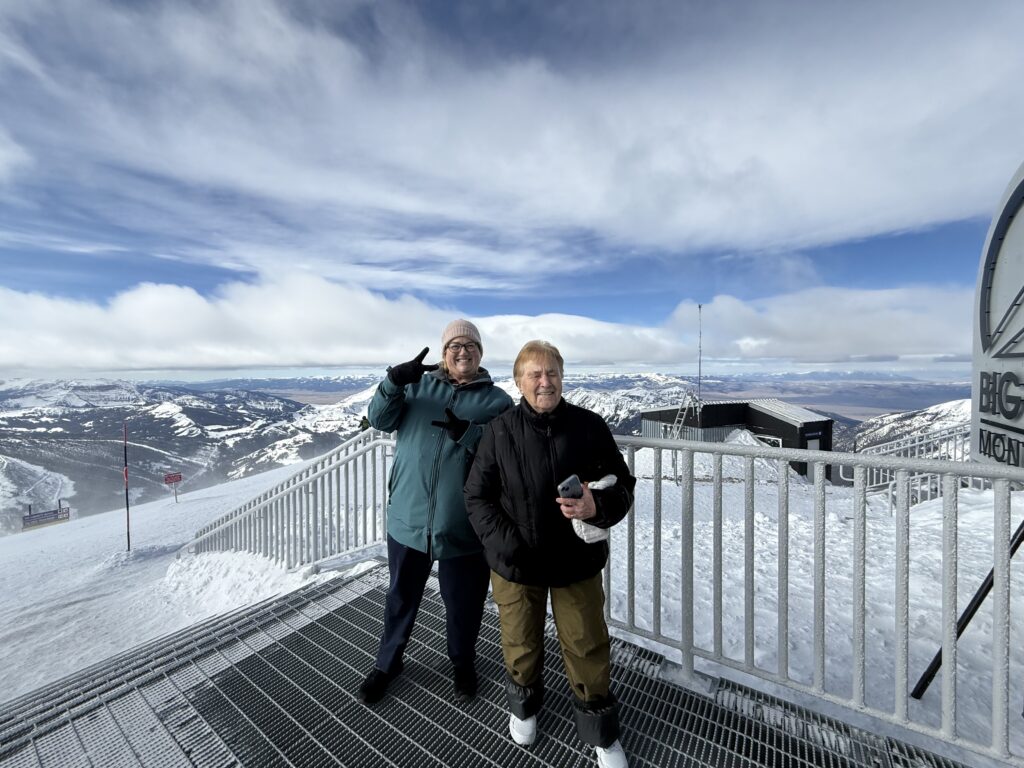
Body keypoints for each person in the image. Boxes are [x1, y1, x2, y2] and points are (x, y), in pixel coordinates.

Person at [464, 340, 636, 768]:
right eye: (535, 374)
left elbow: (623, 485)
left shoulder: (589, 427)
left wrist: (598, 506)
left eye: (552, 373)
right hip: (517, 564)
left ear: (562, 377)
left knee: (586, 644)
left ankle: (600, 732)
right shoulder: (499, 431)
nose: (545, 382)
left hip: (575, 561)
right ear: (519, 382)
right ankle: (524, 707)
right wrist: (509, 545)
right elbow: (477, 496)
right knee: (519, 642)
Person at [358, 319, 513, 705]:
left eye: (471, 345)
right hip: (408, 519)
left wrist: (470, 433)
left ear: (480, 353)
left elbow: (505, 455)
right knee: (400, 597)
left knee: (464, 603)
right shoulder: (416, 387)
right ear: (444, 353)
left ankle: (462, 664)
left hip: (464, 524)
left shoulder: (496, 401)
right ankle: (387, 663)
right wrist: (393, 382)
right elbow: (379, 420)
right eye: (454, 345)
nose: (463, 351)